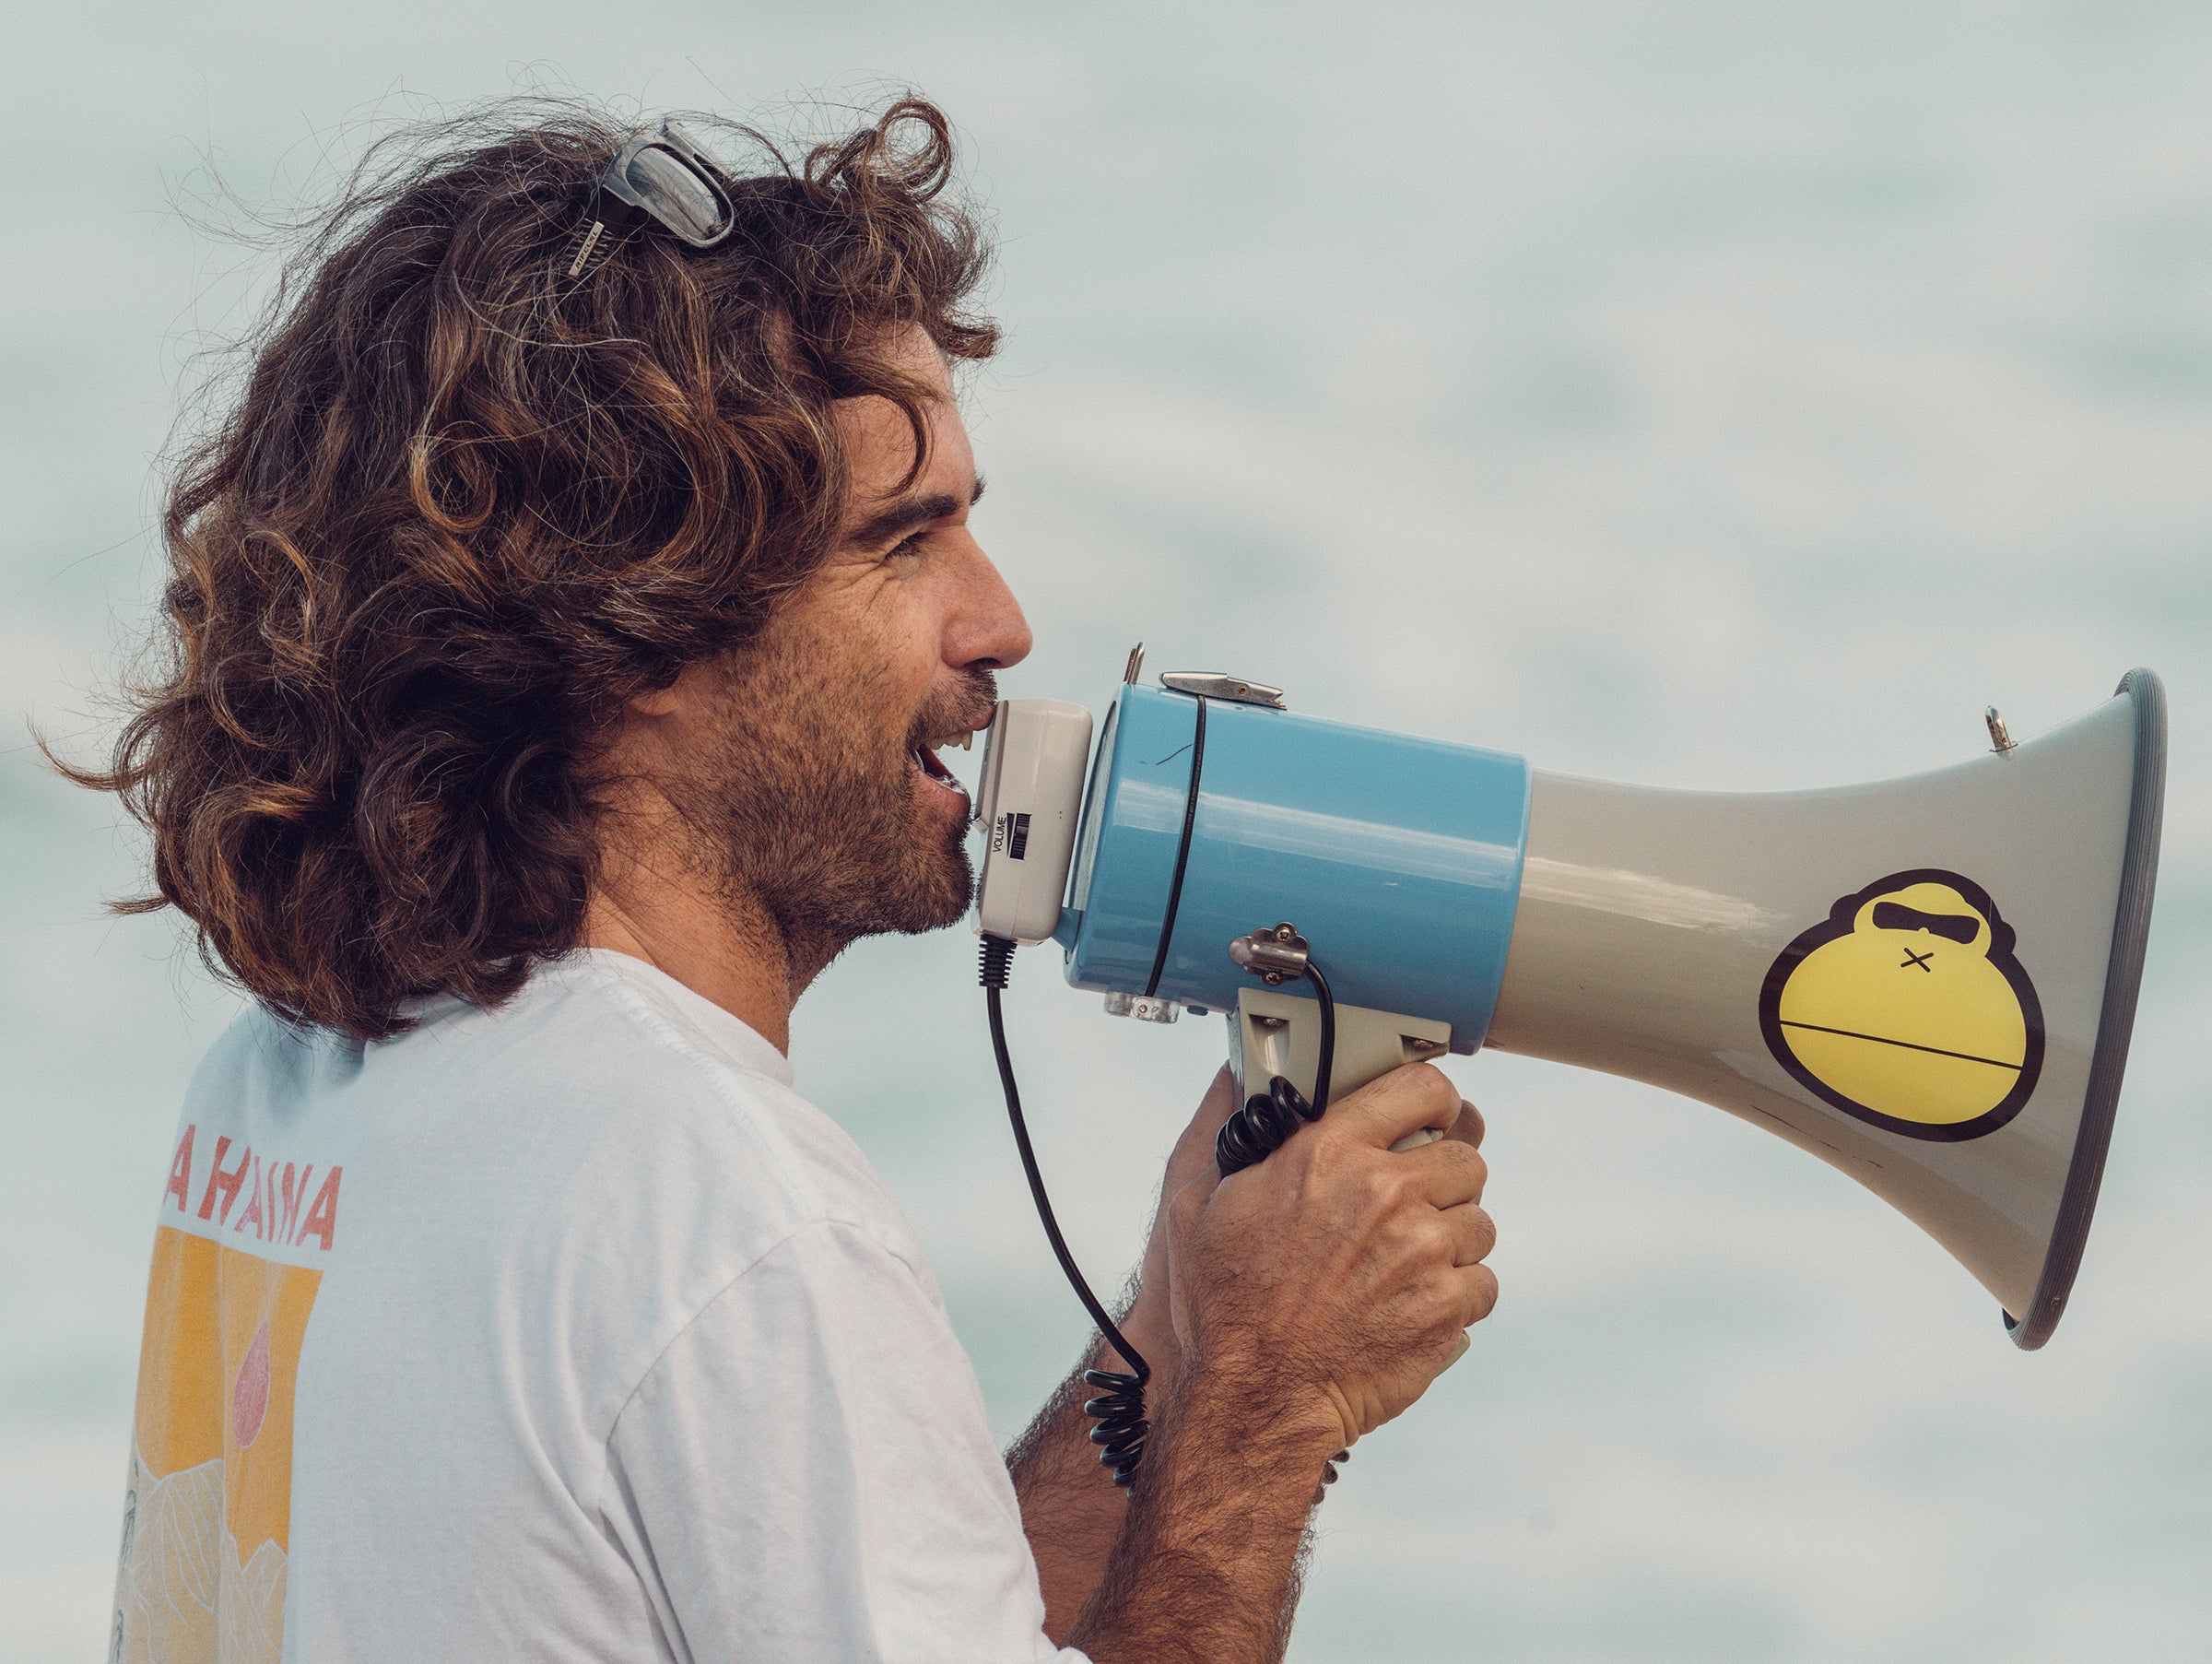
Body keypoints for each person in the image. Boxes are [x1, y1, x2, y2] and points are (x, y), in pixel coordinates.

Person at [74, 94, 1498, 1664]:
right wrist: (1267, 1409)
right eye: (904, 544)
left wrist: (1171, 1335)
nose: (1001, 622)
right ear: (640, 633)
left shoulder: (282, 1084)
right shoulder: (722, 1212)